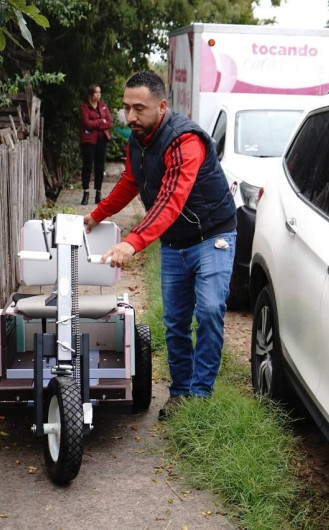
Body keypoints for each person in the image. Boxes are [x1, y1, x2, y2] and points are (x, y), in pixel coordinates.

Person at [84, 71, 237, 420]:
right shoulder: (137, 140)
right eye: (126, 108)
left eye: (140, 108)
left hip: (213, 236)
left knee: (210, 311)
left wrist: (133, 242)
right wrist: (96, 215)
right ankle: (181, 392)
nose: (131, 117)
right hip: (173, 241)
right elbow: (130, 182)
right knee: (175, 322)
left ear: (162, 105)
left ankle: (200, 396)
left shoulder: (186, 141)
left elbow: (171, 199)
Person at [79, 84, 113, 205]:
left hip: (102, 140)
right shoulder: (84, 107)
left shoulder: (103, 106)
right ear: (91, 94)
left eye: (100, 92)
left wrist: (97, 124)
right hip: (88, 141)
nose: (99, 94)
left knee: (100, 167)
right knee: (87, 167)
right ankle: (86, 193)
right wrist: (100, 121)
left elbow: (109, 122)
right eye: (96, 92)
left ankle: (98, 193)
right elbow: (86, 123)